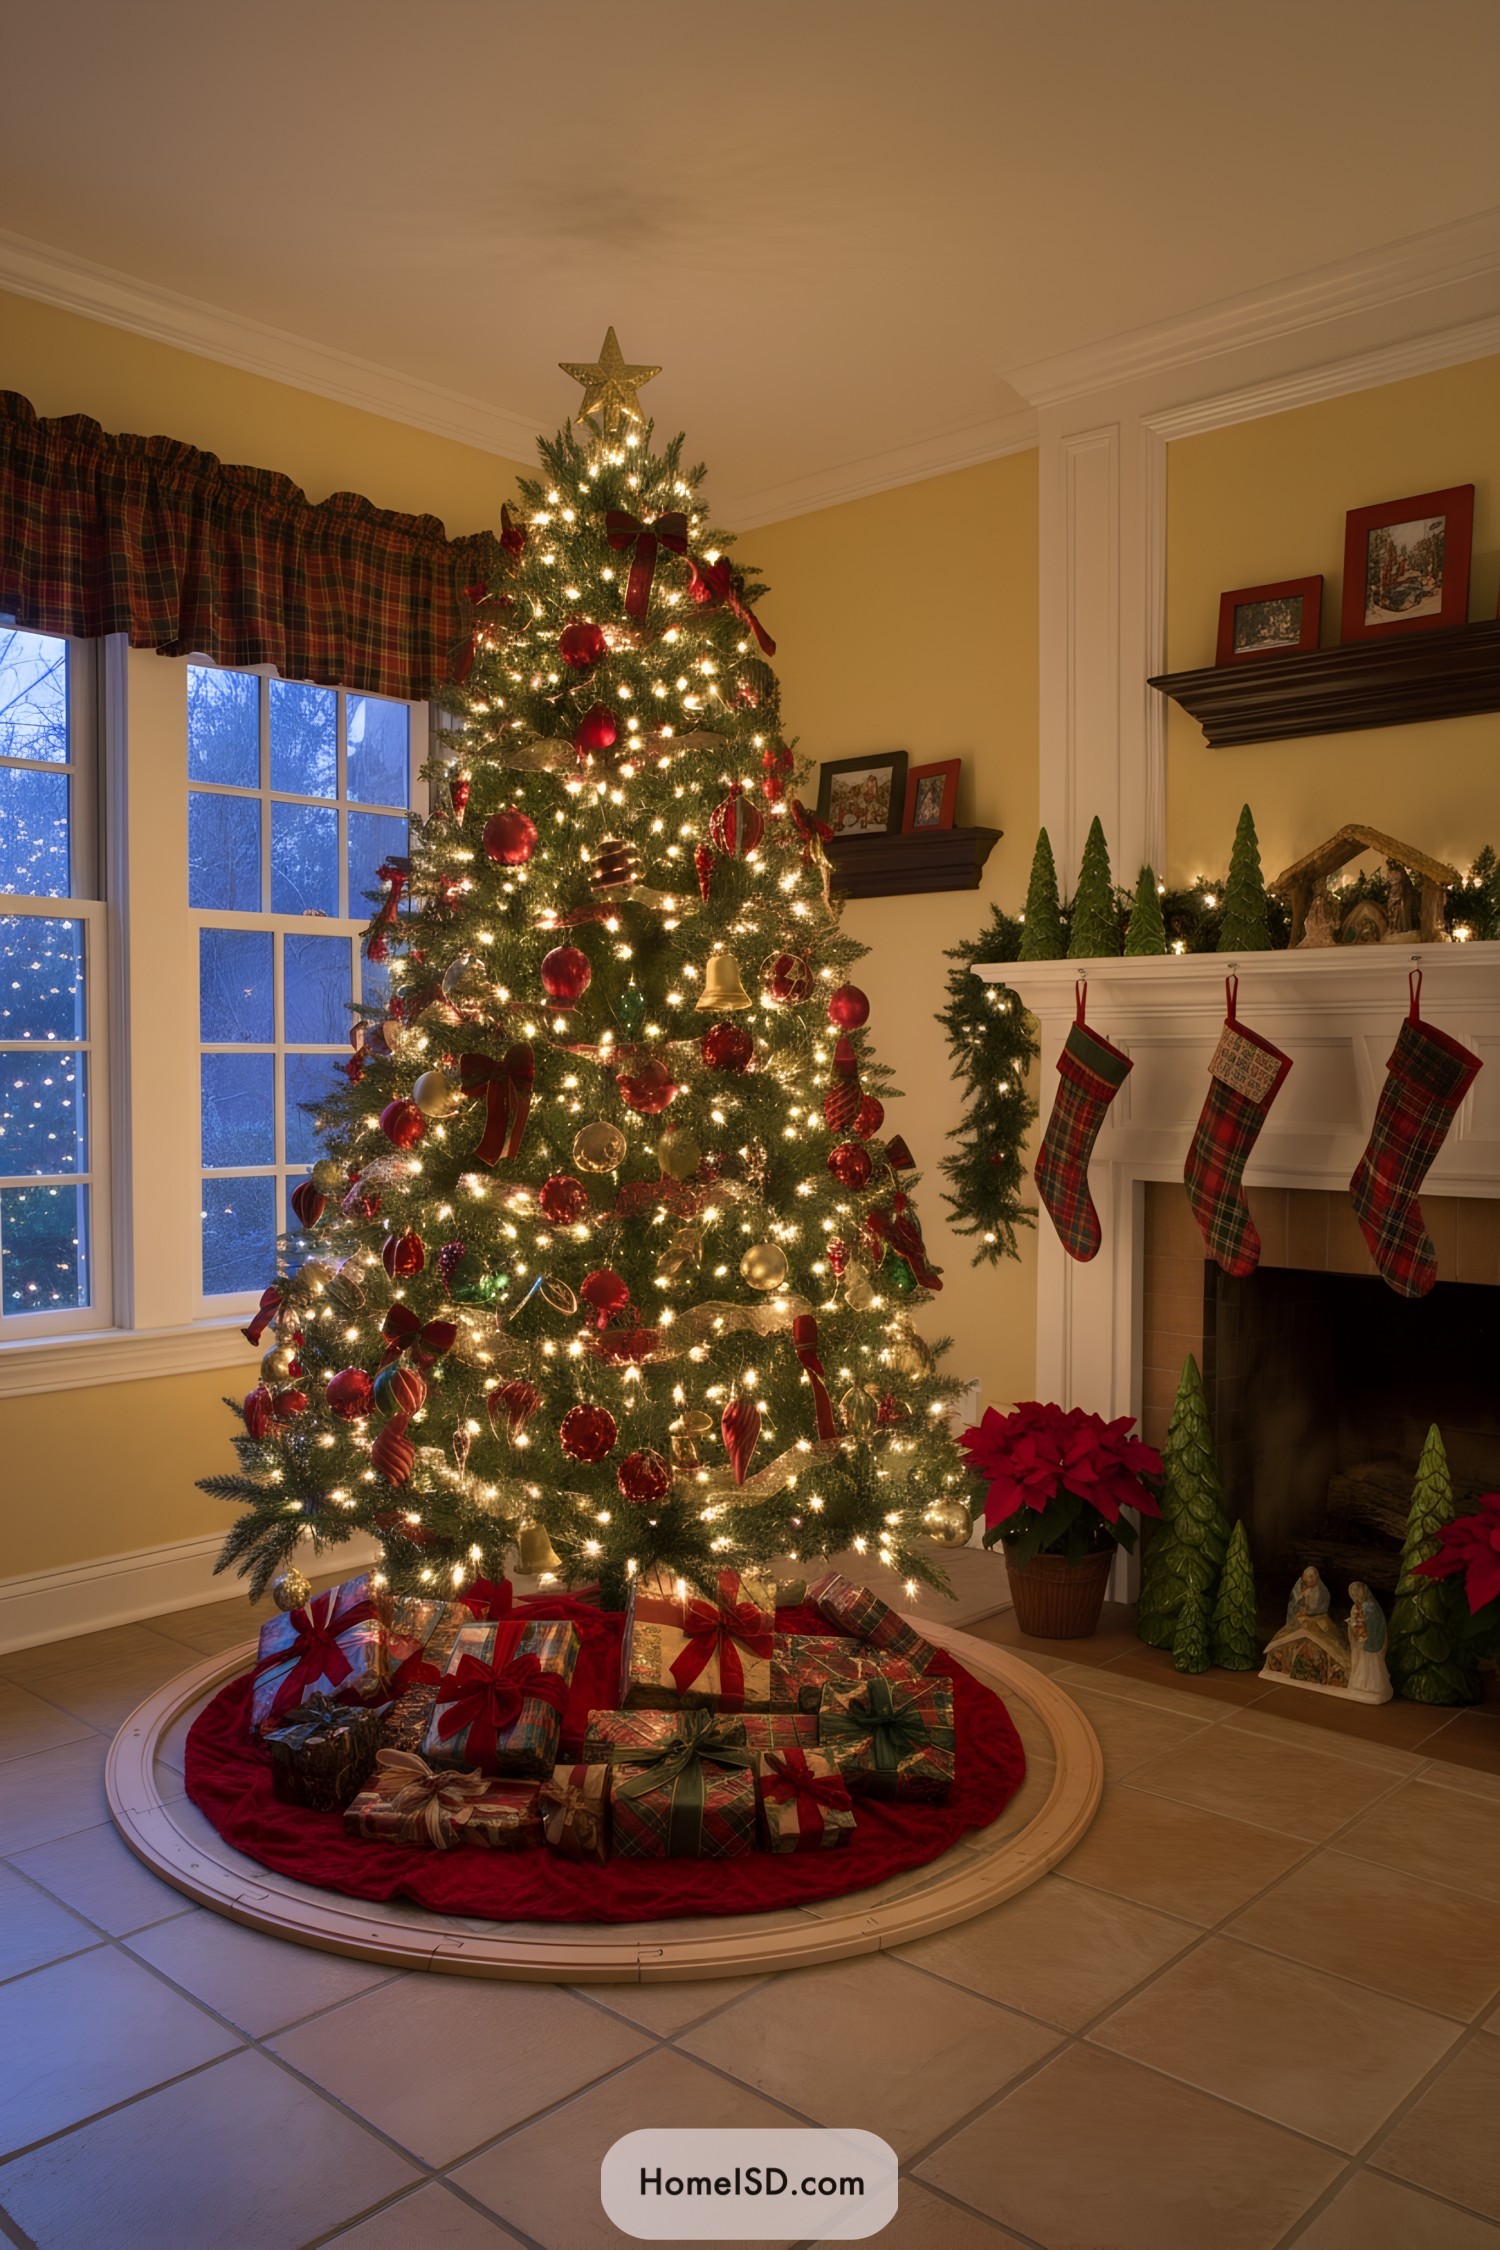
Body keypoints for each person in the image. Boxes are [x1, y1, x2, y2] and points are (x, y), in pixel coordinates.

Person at [1346, 1582, 1392, 1702]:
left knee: (1370, 1665)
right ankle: (1364, 1686)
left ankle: (1371, 1687)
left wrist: (1355, 1625)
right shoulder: (1365, 1606)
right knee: (1366, 1664)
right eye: (1354, 1593)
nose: (1356, 1595)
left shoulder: (1369, 1606)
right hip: (1367, 1640)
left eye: (1358, 1591)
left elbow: (1371, 1625)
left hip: (1370, 1641)